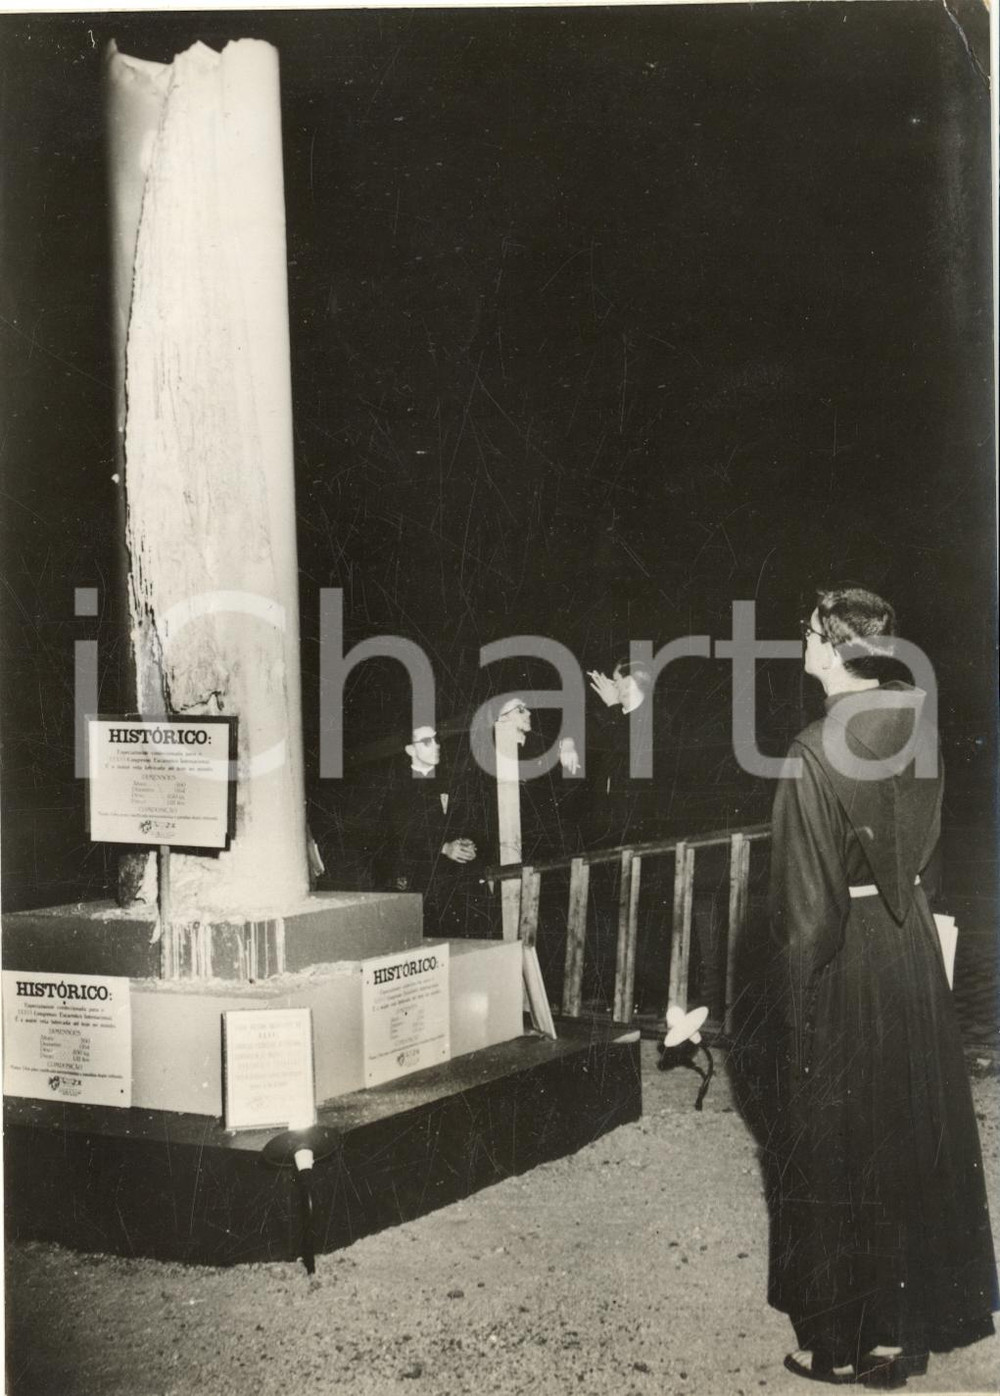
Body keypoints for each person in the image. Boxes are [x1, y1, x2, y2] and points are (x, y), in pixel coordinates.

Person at [767, 587, 997, 1387]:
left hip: (845, 964)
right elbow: (924, 852)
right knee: (907, 1132)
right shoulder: (916, 719)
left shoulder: (810, 750)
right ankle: (913, 1326)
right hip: (910, 953)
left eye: (808, 631)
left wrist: (793, 1020)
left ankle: (841, 1345)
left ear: (832, 648)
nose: (800, 641)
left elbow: (806, 916)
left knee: (838, 1147)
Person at [378, 725, 486, 937]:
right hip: (423, 887)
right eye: (426, 742)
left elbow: (472, 822)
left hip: (459, 884)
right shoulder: (397, 788)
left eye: (436, 739)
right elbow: (400, 838)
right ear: (410, 750)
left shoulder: (453, 780)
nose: (436, 745)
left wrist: (470, 843)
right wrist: (444, 848)